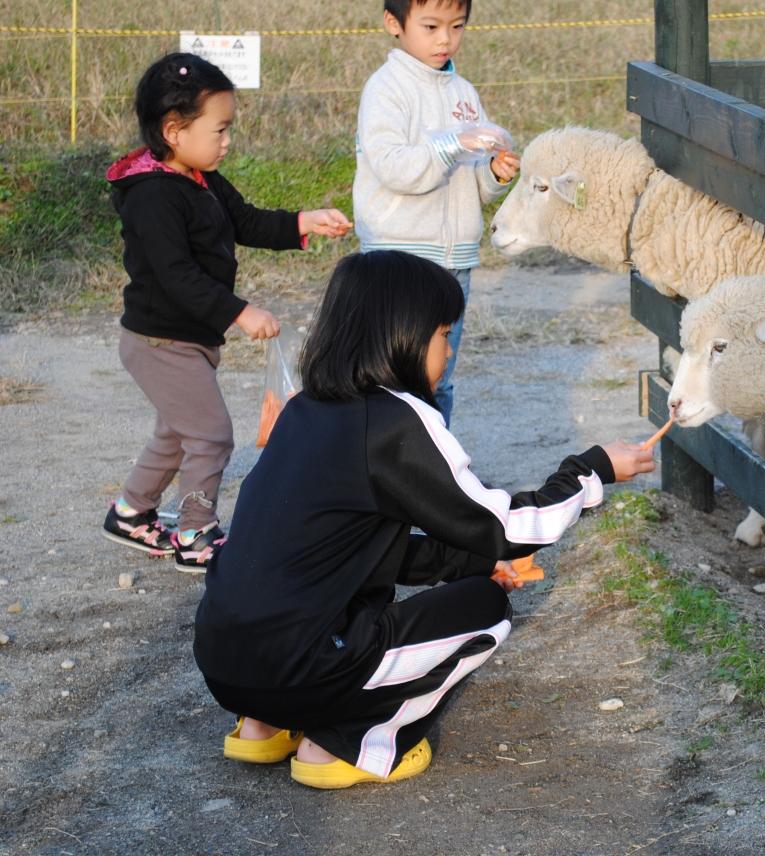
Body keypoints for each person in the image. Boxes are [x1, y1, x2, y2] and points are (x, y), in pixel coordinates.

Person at [193, 251, 654, 789]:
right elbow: (506, 528)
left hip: (222, 663)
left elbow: (359, 551)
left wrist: (473, 562)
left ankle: (263, 726)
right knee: (486, 610)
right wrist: (593, 470)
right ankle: (345, 743)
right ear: (402, 334)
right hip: (300, 670)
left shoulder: (304, 410)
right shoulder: (396, 419)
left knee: (322, 600)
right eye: (443, 333)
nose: (449, 349)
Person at [103, 52, 352, 571]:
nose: (227, 140)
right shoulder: (153, 197)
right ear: (174, 130)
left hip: (185, 337)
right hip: (160, 342)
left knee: (177, 433)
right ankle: (195, 533)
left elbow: (246, 221)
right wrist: (240, 312)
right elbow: (176, 276)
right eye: (219, 129)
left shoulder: (200, 178)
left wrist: (304, 221)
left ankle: (131, 512)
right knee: (211, 435)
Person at [353, 0, 521, 426]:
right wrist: (453, 144)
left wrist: (493, 173)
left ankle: (435, 462)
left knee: (439, 377)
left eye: (456, 26)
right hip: (399, 260)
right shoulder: (386, 89)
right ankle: (385, 460)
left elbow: (471, 181)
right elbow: (393, 167)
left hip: (454, 264)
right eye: (431, 27)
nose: (445, 39)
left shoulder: (464, 94)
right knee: (392, 377)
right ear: (394, 23)